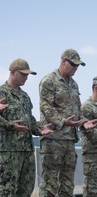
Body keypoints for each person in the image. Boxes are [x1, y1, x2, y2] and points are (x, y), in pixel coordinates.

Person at [39, 49, 97, 197]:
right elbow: (45, 106)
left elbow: (77, 109)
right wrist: (63, 122)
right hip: (53, 139)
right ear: (63, 61)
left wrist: (83, 123)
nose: (76, 68)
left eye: (78, 66)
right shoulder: (49, 81)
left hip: (70, 140)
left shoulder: (74, 85)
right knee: (49, 183)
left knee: (67, 183)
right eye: (73, 64)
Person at [0, 58, 52, 197]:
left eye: (27, 75)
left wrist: (39, 129)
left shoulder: (25, 97)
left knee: (25, 189)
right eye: (23, 74)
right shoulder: (1, 93)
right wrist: (10, 125)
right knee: (6, 190)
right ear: (12, 72)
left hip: (27, 152)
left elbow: (29, 120)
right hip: (8, 153)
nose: (26, 77)